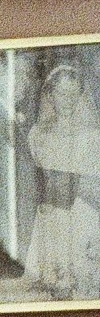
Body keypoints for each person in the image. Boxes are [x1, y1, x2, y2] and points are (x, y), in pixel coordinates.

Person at [22, 60, 100, 300]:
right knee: (50, 289)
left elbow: (93, 182)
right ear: (50, 95)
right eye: (62, 93)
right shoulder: (37, 134)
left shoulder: (93, 136)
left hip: (81, 214)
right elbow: (35, 179)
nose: (68, 100)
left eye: (73, 94)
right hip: (50, 218)